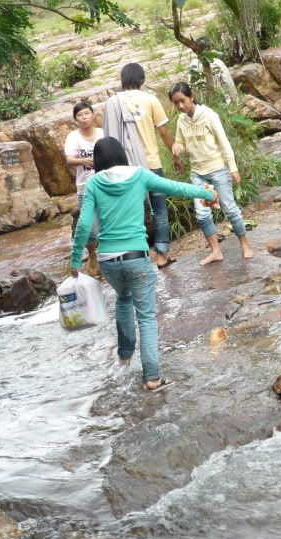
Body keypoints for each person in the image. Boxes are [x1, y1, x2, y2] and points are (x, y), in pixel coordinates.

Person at [70, 137, 218, 392]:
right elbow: (175, 188)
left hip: (108, 261)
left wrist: (75, 260)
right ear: (121, 154)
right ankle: (152, 377)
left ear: (99, 160)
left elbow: (84, 225)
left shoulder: (93, 182)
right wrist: (207, 193)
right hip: (136, 257)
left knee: (123, 300)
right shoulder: (139, 175)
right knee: (147, 316)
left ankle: (124, 358)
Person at [102, 63, 182, 269]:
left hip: (125, 167)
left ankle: (137, 256)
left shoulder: (112, 103)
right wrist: (175, 154)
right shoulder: (150, 99)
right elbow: (163, 132)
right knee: (159, 210)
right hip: (151, 164)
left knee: (132, 212)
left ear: (123, 80)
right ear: (142, 79)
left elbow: (108, 137)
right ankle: (162, 255)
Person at [169, 82, 253, 265]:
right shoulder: (181, 120)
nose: (181, 106)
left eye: (182, 101)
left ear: (191, 97)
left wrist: (233, 168)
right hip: (197, 172)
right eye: (176, 103)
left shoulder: (208, 115)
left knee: (230, 209)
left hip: (217, 168)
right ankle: (216, 251)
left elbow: (223, 142)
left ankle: (245, 244)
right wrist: (177, 148)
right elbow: (180, 142)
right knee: (202, 214)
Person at [64, 101, 103, 276]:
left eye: (86, 113)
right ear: (75, 119)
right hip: (85, 187)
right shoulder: (73, 137)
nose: (84, 117)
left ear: (92, 114)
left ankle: (108, 256)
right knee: (89, 226)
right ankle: (93, 256)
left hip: (105, 184)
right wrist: (83, 161)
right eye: (80, 115)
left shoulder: (102, 133)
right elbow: (69, 159)